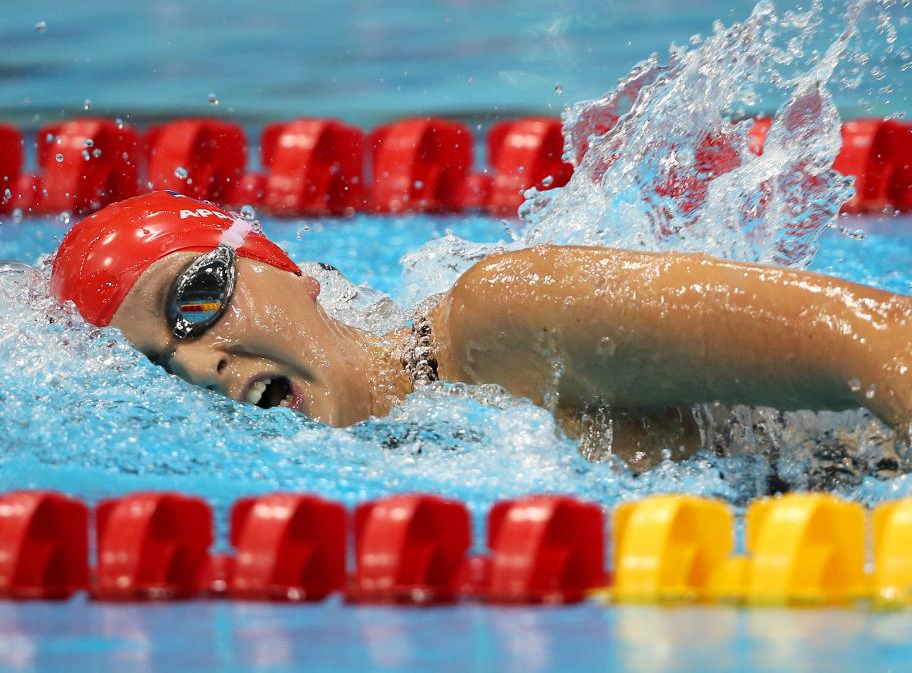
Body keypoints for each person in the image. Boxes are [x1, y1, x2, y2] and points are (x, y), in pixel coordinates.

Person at [51, 190, 912, 471]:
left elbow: (883, 338)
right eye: (158, 365)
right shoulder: (421, 446)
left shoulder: (510, 320)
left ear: (296, 273)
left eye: (195, 301)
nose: (201, 362)